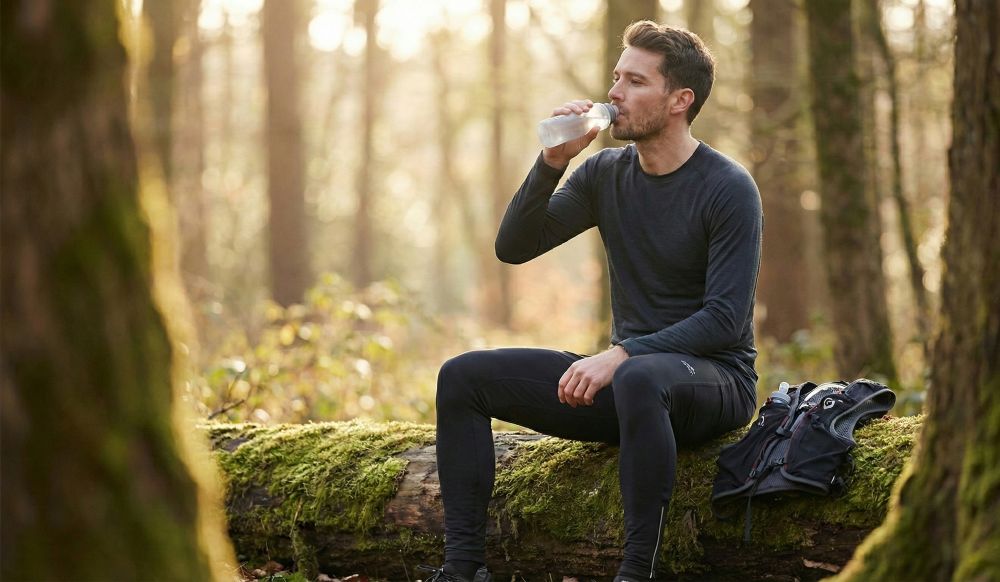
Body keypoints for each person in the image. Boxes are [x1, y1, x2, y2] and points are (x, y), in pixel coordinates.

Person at [424, 20, 762, 582]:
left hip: (714, 382)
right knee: (462, 377)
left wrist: (623, 354)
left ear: (680, 100)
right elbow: (515, 247)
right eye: (616, 77)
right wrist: (552, 162)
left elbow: (725, 320)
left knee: (640, 377)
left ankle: (635, 573)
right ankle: (462, 570)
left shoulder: (727, 187)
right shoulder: (605, 173)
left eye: (635, 81)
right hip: (631, 387)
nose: (613, 93)